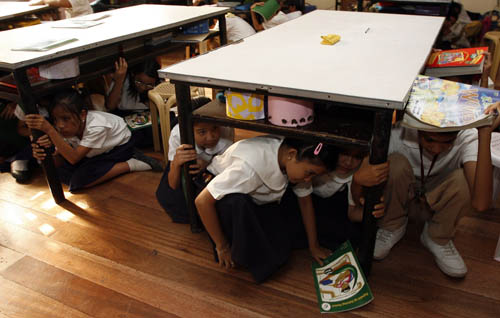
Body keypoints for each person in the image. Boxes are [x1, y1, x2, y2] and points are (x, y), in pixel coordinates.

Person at [374, 103, 500, 278]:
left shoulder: (467, 137)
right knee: (393, 165)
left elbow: (481, 203)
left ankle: (437, 237)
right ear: (418, 130)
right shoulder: (401, 132)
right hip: (404, 196)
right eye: (430, 140)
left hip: (438, 203)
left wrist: (484, 135)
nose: (437, 149)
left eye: (447, 142)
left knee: (467, 181)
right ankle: (392, 225)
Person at [195, 136, 338, 282]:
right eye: (310, 173)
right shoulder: (247, 170)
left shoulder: (289, 158)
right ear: (291, 155)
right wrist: (222, 246)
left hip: (254, 195)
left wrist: (313, 245)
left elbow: (305, 202)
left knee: (292, 233)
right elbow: (202, 201)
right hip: (222, 197)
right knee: (268, 257)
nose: (309, 180)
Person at [24, 90, 162, 193]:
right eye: (55, 120)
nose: (59, 125)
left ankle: (131, 164)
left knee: (79, 181)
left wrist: (50, 131)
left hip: (118, 148)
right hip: (90, 152)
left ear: (83, 114)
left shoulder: (97, 126)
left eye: (65, 119)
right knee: (58, 172)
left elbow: (74, 158)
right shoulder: (65, 127)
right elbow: (61, 157)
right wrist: (47, 152)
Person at [291, 148, 388, 265]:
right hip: (301, 199)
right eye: (344, 153)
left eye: (357, 157)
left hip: (330, 203)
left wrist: (372, 210)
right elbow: (305, 201)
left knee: (351, 236)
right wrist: (314, 246)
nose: (348, 162)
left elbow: (352, 213)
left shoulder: (356, 171)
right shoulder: (315, 159)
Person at [156, 97, 234, 223]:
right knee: (177, 202)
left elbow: (227, 168)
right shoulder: (178, 134)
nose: (210, 137)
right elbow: (173, 184)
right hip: (185, 172)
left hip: (214, 171)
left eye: (215, 128)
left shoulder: (226, 130)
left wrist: (208, 165)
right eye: (202, 132)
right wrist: (176, 163)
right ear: (189, 130)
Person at [105, 57, 161, 147]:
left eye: (149, 84)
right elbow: (110, 106)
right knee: (129, 136)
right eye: (139, 82)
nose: (143, 87)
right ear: (132, 74)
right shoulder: (124, 80)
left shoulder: (157, 84)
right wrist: (119, 80)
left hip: (147, 115)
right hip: (124, 115)